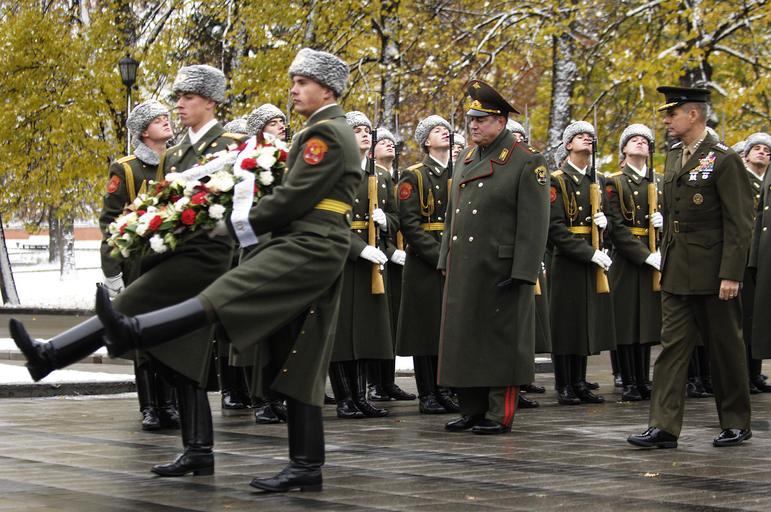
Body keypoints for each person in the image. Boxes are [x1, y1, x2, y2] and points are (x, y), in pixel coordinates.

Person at [12, 64, 247, 475]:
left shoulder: (232, 146)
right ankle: (198, 450)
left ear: (210, 102)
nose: (179, 105)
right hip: (174, 256)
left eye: (188, 97)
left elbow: (247, 201)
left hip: (208, 258)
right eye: (178, 97)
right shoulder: (174, 154)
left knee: (125, 309)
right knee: (184, 352)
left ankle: (48, 356)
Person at [628, 86, 754, 449]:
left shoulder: (724, 159)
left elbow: (739, 222)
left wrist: (731, 273)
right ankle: (663, 426)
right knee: (671, 350)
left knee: (725, 349)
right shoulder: (673, 156)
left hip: (714, 273)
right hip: (677, 270)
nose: (667, 121)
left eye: (673, 114)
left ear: (694, 114)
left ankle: (736, 422)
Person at [438, 80, 549, 434]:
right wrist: (445, 257)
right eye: (471, 119)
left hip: (501, 268)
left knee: (501, 343)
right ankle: (472, 408)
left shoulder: (525, 161)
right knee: (466, 339)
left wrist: (524, 272)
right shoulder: (466, 157)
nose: (473, 125)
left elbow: (534, 223)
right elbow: (453, 214)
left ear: (501, 122)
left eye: (481, 120)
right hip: (466, 265)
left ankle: (499, 413)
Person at [98, 100, 180, 432]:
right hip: (138, 264)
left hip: (171, 260)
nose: (167, 122)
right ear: (144, 131)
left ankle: (170, 404)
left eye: (167, 117)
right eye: (158, 120)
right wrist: (112, 271)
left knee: (170, 332)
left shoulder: (178, 162)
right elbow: (110, 222)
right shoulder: (127, 169)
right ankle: (150, 406)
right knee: (142, 334)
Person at [326, 111, 397, 419]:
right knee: (342, 334)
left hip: (372, 261)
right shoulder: (333, 173)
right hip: (342, 259)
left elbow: (397, 215)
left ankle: (361, 396)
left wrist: (386, 221)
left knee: (367, 333)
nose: (366, 134)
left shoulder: (380, 176)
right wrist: (359, 249)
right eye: (357, 130)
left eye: (368, 129)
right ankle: (345, 398)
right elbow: (328, 221)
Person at [548, 121, 616, 406]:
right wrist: (588, 252)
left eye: (590, 136)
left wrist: (605, 224)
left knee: (584, 321)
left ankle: (579, 381)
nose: (587, 139)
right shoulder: (557, 180)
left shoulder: (596, 180)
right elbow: (555, 228)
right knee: (566, 323)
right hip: (568, 260)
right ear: (568, 145)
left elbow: (609, 223)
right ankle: (564, 384)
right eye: (580, 136)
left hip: (591, 257)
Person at [396, 115, 459, 414]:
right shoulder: (414, 176)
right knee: (426, 330)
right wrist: (440, 257)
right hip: (426, 262)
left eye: (446, 129)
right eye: (436, 130)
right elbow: (410, 225)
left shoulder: (459, 172)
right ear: (425, 141)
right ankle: (428, 394)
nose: (444, 133)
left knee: (448, 329)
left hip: (456, 258)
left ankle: (446, 389)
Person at [605, 124, 662, 402]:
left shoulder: (658, 181)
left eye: (645, 141)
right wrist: (645, 255)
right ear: (624, 150)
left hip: (653, 256)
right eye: (634, 140)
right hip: (628, 260)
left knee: (645, 322)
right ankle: (628, 381)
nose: (640, 143)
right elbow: (616, 227)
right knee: (627, 322)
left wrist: (662, 227)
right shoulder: (614, 182)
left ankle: (642, 379)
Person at [368, 127, 414, 402]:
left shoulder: (392, 177)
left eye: (391, 141)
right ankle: (375, 382)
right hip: (376, 255)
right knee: (377, 322)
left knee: (390, 321)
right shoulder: (372, 175)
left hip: (391, 257)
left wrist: (389, 225)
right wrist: (389, 250)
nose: (389, 145)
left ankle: (387, 381)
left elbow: (397, 218)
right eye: (382, 141)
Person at [745, 133, 771, 392]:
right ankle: (745, 373)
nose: (762, 152)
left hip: (762, 254)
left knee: (759, 316)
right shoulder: (742, 180)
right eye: (757, 148)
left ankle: (754, 373)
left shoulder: (766, 181)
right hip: (744, 254)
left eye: (767, 149)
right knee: (746, 317)